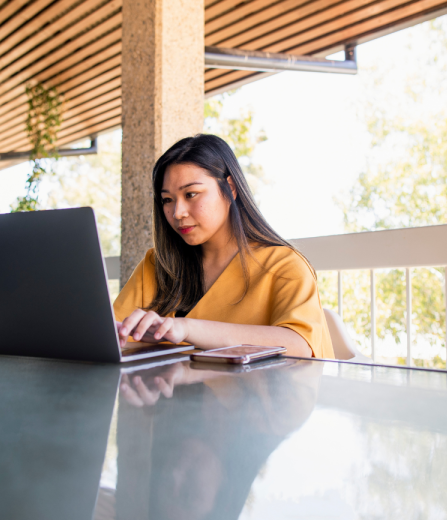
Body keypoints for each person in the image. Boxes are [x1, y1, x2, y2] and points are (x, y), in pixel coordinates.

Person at [113, 134, 334, 377]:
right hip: (164, 407)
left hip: (252, 410)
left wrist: (185, 328)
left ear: (230, 188)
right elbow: (112, 332)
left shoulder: (283, 266)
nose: (177, 212)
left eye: (191, 194)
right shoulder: (157, 265)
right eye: (168, 200)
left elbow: (299, 345)